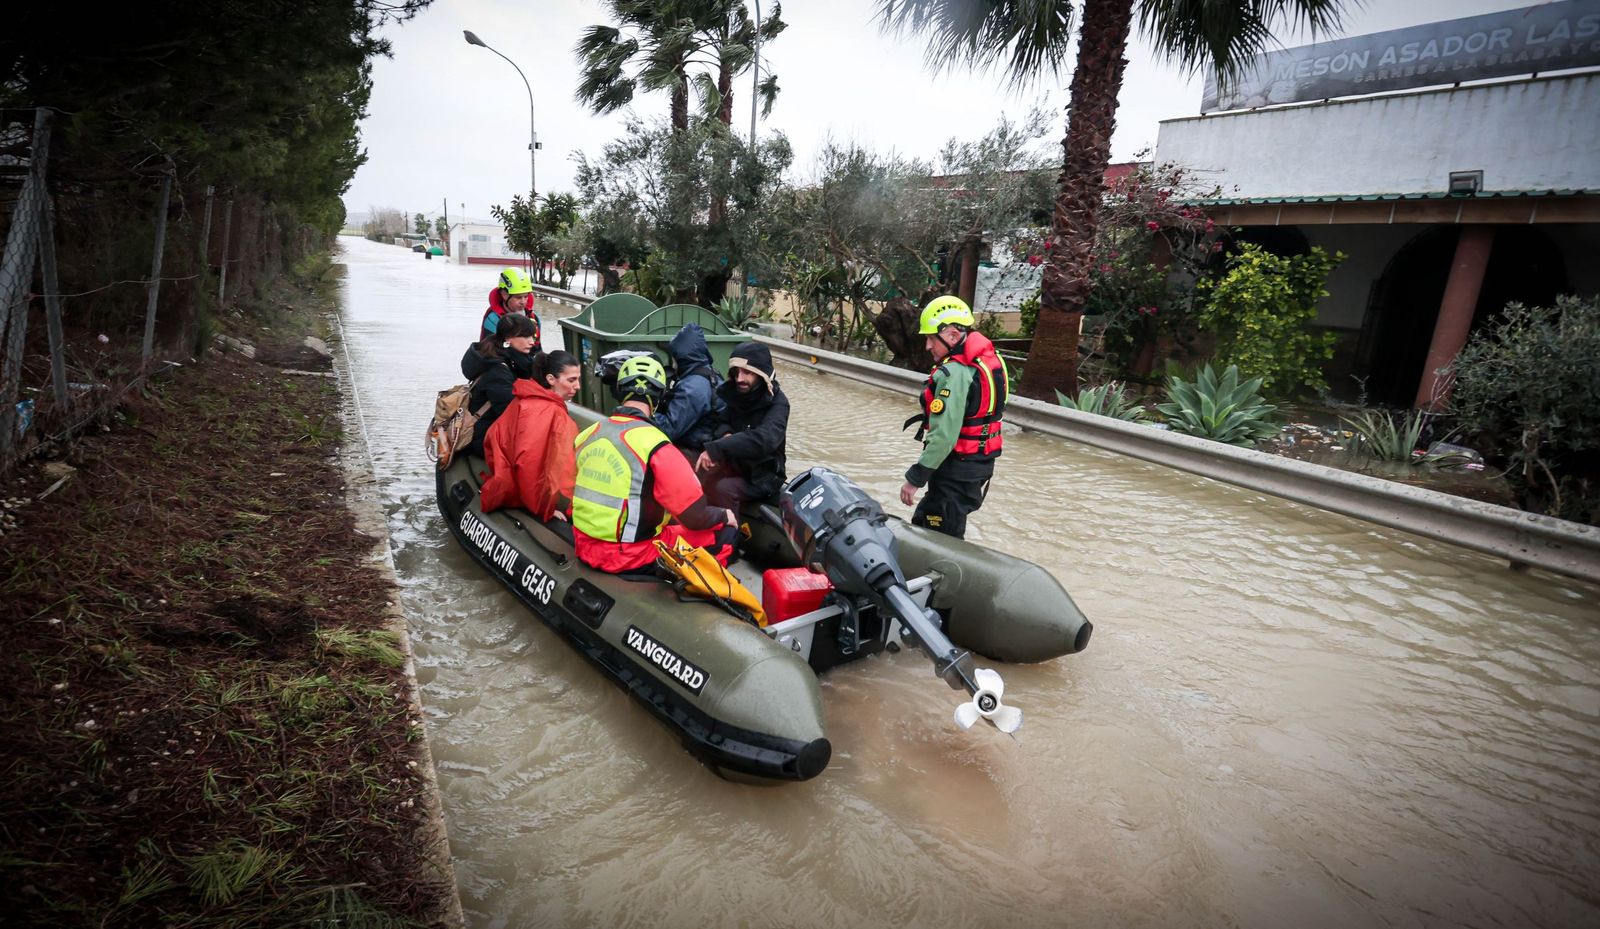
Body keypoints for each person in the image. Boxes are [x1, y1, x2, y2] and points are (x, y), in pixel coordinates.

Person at [573, 355, 737, 574]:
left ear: (620, 392)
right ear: (658, 399)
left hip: (584, 545)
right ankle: (706, 592)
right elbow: (695, 516)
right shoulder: (657, 446)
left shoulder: (586, 436)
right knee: (726, 532)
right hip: (628, 555)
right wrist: (725, 514)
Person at [898, 296, 1008, 539]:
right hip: (978, 466)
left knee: (932, 533)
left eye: (930, 338)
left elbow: (944, 436)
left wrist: (915, 478)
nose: (927, 346)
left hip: (956, 469)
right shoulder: (990, 360)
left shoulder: (955, 373)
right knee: (949, 525)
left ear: (951, 335)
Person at [480, 350, 581, 520]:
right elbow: (529, 463)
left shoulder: (526, 399)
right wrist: (543, 508)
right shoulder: (547, 411)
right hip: (518, 491)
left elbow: (494, 435)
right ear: (551, 379)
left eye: (578, 379)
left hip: (507, 479)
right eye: (571, 380)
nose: (577, 386)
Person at [695, 342, 789, 513]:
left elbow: (764, 439)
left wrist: (718, 448)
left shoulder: (779, 403)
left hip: (763, 475)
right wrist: (726, 434)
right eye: (737, 372)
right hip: (735, 464)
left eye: (747, 372)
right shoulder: (737, 393)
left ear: (762, 375)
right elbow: (721, 421)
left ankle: (728, 537)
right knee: (694, 474)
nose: (740, 379)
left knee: (723, 488)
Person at [458, 312, 539, 459]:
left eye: (533, 336)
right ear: (508, 339)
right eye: (526, 337)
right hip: (482, 438)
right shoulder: (498, 370)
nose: (531, 342)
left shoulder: (507, 359)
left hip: (487, 429)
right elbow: (509, 413)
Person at [652, 322, 725, 456]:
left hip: (695, 451)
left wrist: (646, 412)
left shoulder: (693, 388)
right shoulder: (710, 373)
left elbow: (668, 430)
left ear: (681, 357)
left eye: (673, 356)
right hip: (706, 443)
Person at [478, 267, 541, 349]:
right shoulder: (493, 320)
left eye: (526, 297)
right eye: (518, 297)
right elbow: (488, 353)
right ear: (504, 294)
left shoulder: (533, 318)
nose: (523, 302)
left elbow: (538, 350)